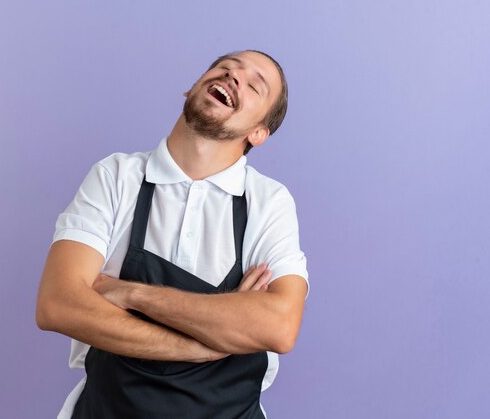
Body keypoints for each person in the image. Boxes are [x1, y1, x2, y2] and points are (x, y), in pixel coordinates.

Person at [36, 49, 310, 419]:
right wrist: (202, 346)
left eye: (253, 85)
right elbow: (58, 305)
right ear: (192, 88)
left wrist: (130, 293)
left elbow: (278, 326)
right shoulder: (116, 176)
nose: (233, 78)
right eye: (225, 68)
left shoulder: (268, 202)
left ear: (259, 133)